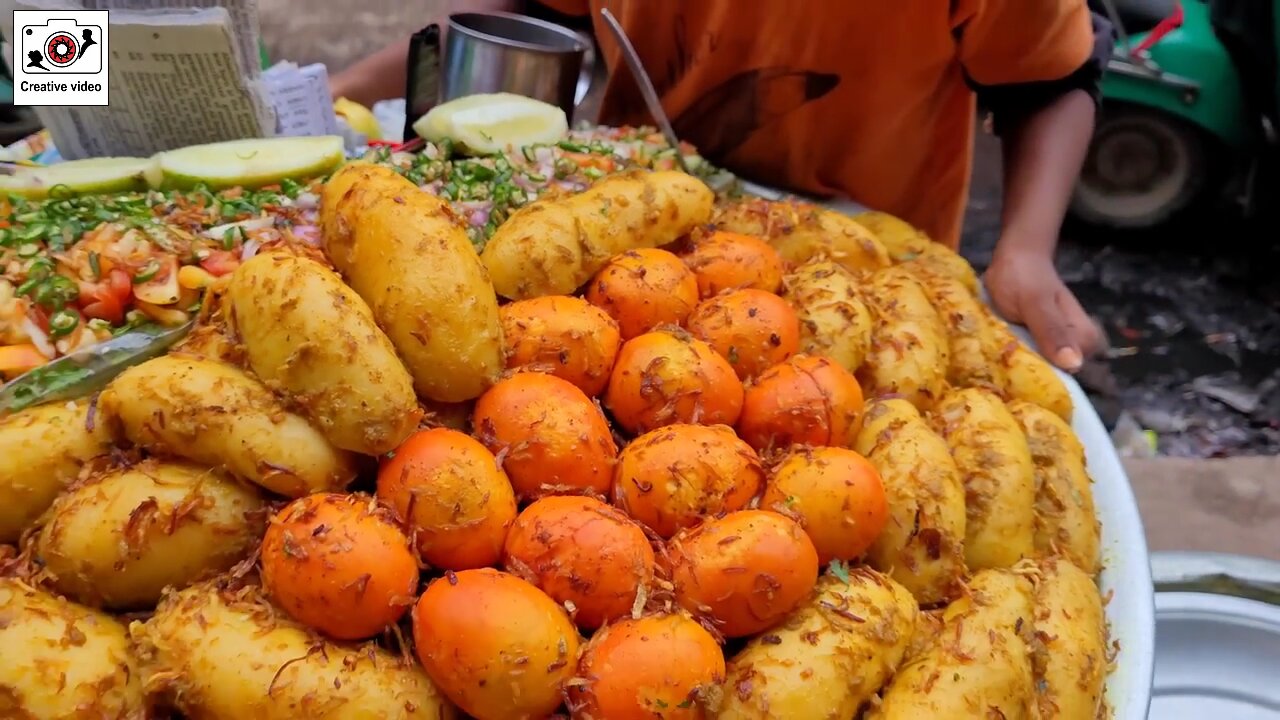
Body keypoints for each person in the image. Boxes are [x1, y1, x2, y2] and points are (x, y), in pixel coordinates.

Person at [330, 0, 1109, 372]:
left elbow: (1050, 78)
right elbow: (527, 13)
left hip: (860, 264)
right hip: (631, 227)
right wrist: (347, 86)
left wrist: (1027, 248)